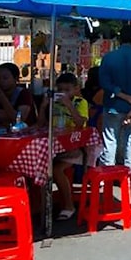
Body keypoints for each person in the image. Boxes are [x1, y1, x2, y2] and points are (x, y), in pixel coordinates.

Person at [99, 25, 131, 186]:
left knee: (110, 142)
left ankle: (106, 177)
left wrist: (122, 95)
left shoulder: (108, 58)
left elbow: (104, 82)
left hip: (113, 106)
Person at [37, 73, 88, 220]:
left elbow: (80, 123)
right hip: (55, 147)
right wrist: (43, 106)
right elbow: (40, 124)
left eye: (67, 90)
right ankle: (43, 205)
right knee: (41, 168)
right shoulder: (54, 104)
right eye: (60, 90)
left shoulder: (80, 102)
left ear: (76, 89)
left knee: (57, 169)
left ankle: (68, 205)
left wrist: (69, 104)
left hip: (75, 147)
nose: (63, 93)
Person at [0, 62, 36, 126]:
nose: (1, 81)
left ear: (15, 78)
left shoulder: (24, 94)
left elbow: (19, 120)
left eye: (5, 78)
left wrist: (2, 99)